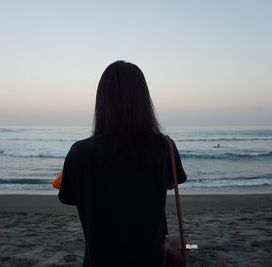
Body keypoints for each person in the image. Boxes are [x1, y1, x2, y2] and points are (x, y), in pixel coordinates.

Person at [58, 61, 187, 267]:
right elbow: (172, 182)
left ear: (102, 102)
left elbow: (68, 197)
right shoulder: (164, 147)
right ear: (143, 100)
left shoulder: (80, 152)